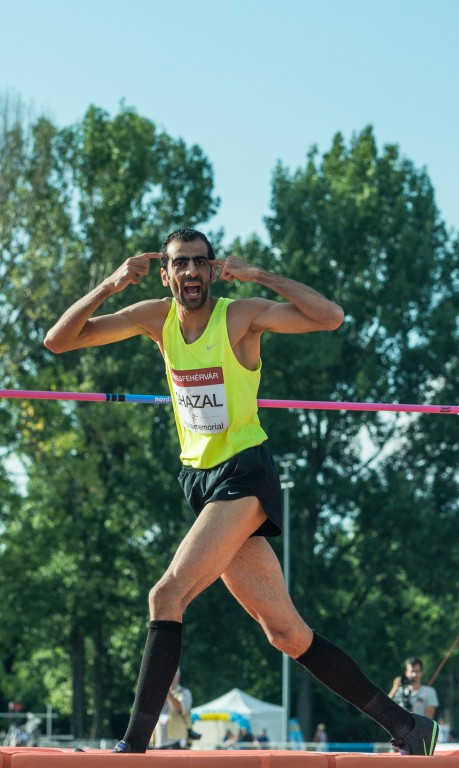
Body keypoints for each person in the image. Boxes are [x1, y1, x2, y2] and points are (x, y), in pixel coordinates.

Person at [45, 227, 438, 756]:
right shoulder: (153, 318)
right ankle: (408, 727)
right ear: (165, 274)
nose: (190, 271)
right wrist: (111, 285)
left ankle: (132, 747)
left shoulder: (240, 316)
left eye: (199, 262)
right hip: (201, 483)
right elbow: (58, 341)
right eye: (180, 263)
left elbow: (331, 317)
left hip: (244, 475)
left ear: (212, 269)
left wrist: (260, 276)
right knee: (287, 633)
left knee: (166, 596)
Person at [153, 668, 193, 749]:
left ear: (177, 677)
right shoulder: (158, 693)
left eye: (172, 676)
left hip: (176, 742)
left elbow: (179, 710)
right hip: (158, 742)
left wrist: (168, 693)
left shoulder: (184, 692)